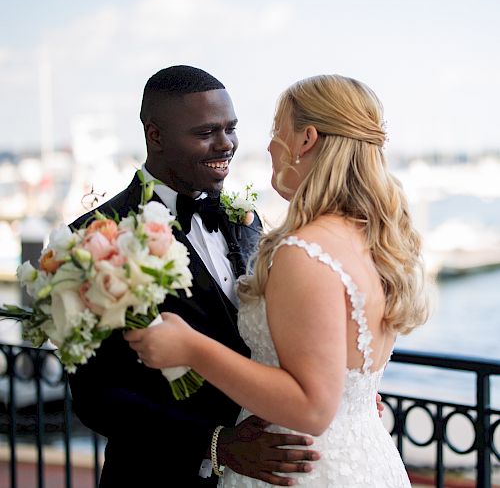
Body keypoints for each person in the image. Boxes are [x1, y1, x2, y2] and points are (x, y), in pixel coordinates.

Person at [125, 74, 429, 487]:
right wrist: (347, 400)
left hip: (298, 469)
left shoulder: (305, 250)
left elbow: (312, 407)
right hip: (362, 459)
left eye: (274, 130)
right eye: (208, 131)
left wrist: (191, 348)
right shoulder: (373, 237)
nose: (264, 145)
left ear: (305, 140)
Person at [69, 65, 321, 488]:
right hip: (157, 478)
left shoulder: (245, 217)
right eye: (206, 133)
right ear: (156, 136)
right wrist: (217, 444)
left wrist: (335, 388)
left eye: (231, 128)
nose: (226, 145)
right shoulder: (96, 237)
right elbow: (96, 396)